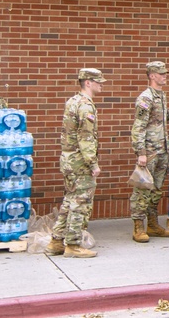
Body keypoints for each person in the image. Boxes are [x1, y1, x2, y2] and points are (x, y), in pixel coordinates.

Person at [130, 61, 169, 243]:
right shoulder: (146, 98)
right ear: (152, 76)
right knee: (142, 189)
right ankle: (138, 227)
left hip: (161, 150)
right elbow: (138, 127)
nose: (165, 76)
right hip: (149, 151)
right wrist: (141, 152)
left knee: (156, 190)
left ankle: (152, 224)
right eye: (161, 73)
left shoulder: (160, 96)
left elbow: (161, 117)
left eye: (165, 73)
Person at [47, 68, 105, 259]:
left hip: (69, 159)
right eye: (98, 81)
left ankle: (56, 241)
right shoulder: (85, 106)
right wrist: (93, 163)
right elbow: (85, 137)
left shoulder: (72, 101)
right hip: (80, 162)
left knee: (69, 200)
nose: (101, 84)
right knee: (81, 203)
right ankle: (73, 244)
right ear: (87, 82)